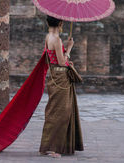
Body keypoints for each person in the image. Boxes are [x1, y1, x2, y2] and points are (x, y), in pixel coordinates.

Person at [39, 15, 84, 158]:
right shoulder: (57, 40)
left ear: (47, 22)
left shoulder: (48, 37)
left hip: (54, 76)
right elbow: (61, 61)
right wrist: (69, 48)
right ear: (61, 23)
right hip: (60, 78)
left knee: (55, 110)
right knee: (61, 112)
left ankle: (51, 145)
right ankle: (53, 148)